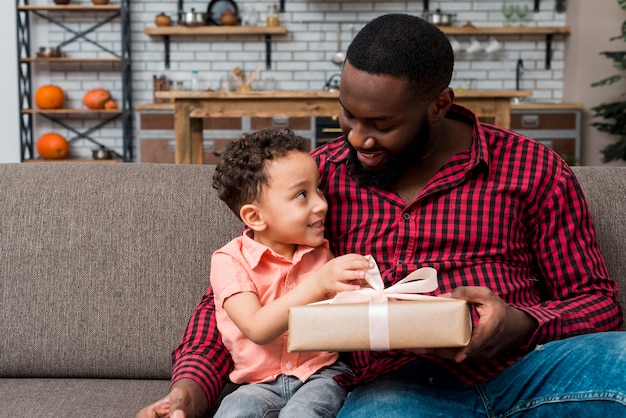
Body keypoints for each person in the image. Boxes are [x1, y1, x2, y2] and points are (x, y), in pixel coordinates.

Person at [138, 14, 625, 418]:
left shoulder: (532, 167)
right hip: (398, 387)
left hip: (532, 368)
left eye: (382, 124)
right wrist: (189, 392)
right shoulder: (315, 179)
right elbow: (233, 300)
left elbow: (597, 301)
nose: (356, 138)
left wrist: (520, 323)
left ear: (438, 105)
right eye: (348, 115)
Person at [207, 128, 370, 417]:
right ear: (255, 217)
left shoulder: (322, 255)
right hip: (257, 384)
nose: (322, 204)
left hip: (321, 374)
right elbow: (257, 328)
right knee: (234, 411)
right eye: (302, 195)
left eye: (318, 188)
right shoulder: (229, 261)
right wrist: (320, 283)